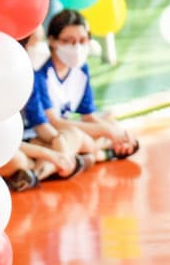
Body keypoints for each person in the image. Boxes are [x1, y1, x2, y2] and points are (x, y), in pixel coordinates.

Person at [24, 9, 138, 161]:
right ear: (52, 41)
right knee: (79, 138)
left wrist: (114, 131)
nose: (77, 47)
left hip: (65, 130)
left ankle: (97, 153)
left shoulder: (81, 70)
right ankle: (96, 154)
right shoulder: (40, 73)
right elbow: (53, 122)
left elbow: (89, 116)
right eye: (69, 41)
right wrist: (106, 131)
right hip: (43, 134)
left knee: (110, 120)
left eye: (83, 40)